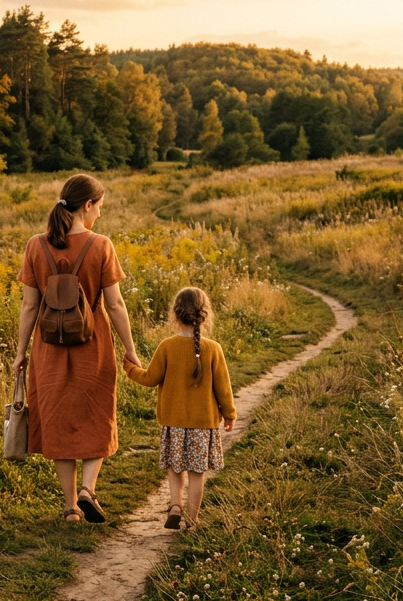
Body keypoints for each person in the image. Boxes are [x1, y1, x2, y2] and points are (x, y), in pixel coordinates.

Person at [12, 174, 141, 523]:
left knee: (57, 420)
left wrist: (20, 353)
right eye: (99, 207)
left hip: (48, 349)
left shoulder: (35, 245)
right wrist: (131, 349)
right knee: (97, 413)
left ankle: (70, 508)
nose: (99, 215)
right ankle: (88, 490)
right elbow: (114, 305)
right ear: (87, 205)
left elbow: (28, 306)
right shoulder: (101, 245)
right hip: (93, 345)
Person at [124, 286, 235, 529]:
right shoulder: (213, 349)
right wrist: (229, 414)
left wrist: (130, 368)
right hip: (203, 424)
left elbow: (150, 378)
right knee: (197, 474)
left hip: (173, 422)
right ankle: (192, 520)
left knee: (176, 468)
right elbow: (223, 388)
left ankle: (175, 505)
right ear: (204, 314)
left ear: (175, 314)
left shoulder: (167, 346)